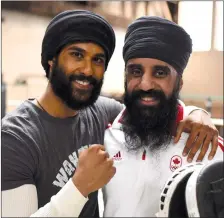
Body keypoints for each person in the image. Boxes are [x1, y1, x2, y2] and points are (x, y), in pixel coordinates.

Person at [1, 10, 219, 217]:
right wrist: (79, 188)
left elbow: (149, 109)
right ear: (51, 61)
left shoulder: (102, 114)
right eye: (77, 55)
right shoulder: (15, 137)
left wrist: (196, 113)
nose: (87, 70)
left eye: (97, 60)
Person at [102, 16, 224, 217]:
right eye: (135, 71)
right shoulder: (104, 134)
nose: (145, 84)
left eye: (160, 73)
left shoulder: (208, 148)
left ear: (179, 83)